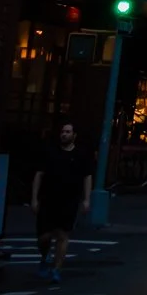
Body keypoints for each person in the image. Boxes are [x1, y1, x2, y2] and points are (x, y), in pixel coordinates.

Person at [31, 121, 93, 283]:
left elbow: (87, 176)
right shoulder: (51, 152)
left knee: (63, 235)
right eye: (62, 132)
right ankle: (45, 257)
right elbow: (39, 174)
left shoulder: (81, 154)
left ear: (74, 135)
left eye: (67, 132)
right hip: (48, 199)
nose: (64, 134)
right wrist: (34, 198)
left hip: (69, 200)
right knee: (44, 237)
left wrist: (86, 199)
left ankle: (56, 269)